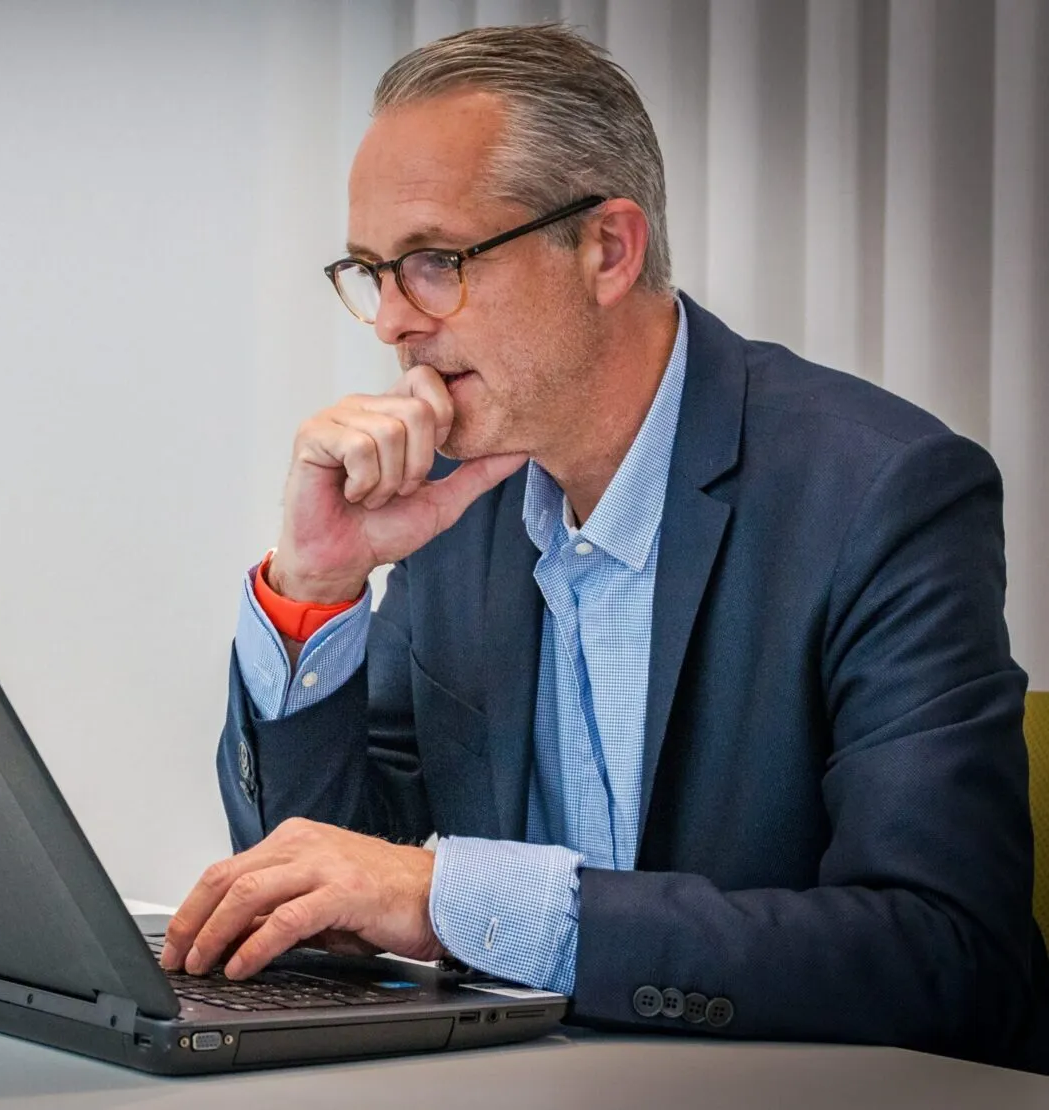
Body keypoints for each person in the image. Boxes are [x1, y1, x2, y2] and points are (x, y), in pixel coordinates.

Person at [154, 22, 1048, 1071]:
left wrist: (457, 899)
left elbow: (945, 954)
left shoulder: (881, 492)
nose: (390, 322)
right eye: (372, 270)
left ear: (608, 250)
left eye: (434, 261)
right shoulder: (450, 501)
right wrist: (318, 584)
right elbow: (325, 886)